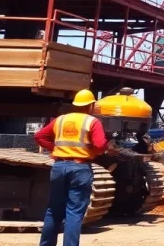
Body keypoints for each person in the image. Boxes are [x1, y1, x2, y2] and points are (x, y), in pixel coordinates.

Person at [33, 89, 111, 246]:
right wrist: (93, 152)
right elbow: (101, 144)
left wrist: (55, 149)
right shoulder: (92, 122)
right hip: (80, 168)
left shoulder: (60, 120)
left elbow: (39, 136)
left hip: (59, 166)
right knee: (74, 213)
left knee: (53, 210)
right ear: (91, 105)